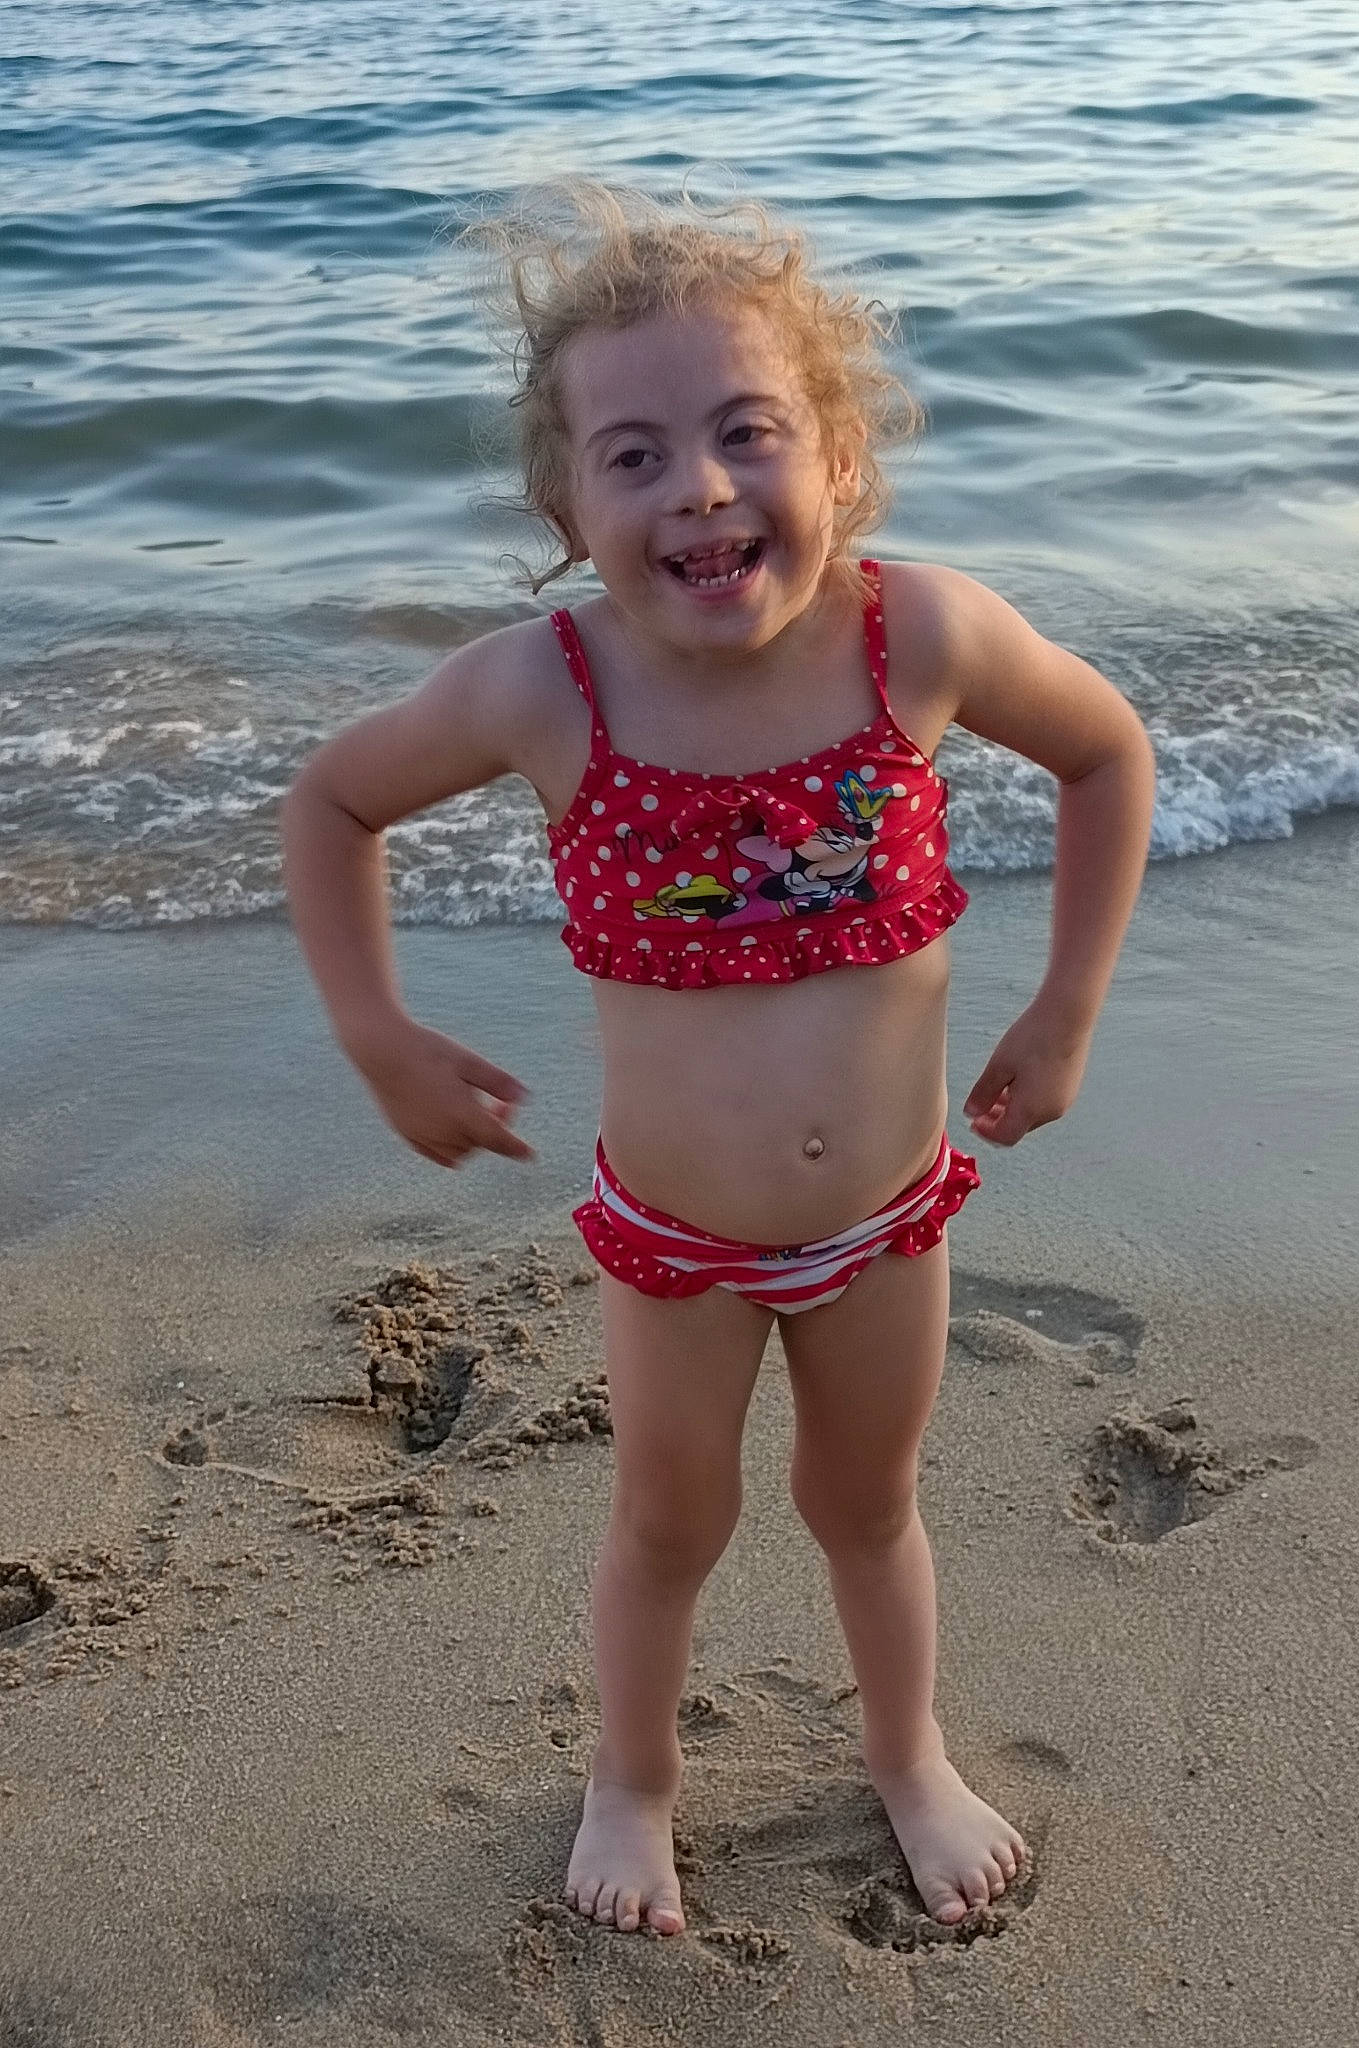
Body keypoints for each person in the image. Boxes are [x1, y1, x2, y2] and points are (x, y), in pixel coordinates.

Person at [281, 180, 1157, 1939]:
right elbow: (332, 798)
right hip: (673, 1243)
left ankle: (907, 1757)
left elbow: (1107, 751)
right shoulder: (548, 692)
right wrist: (377, 1030)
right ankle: (634, 1781)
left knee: (867, 1504)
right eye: (632, 454)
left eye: (748, 432)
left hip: (890, 1224)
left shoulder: (921, 639)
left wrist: (1067, 1004)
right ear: (564, 506)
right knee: (671, 1521)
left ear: (838, 458)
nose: (697, 483)